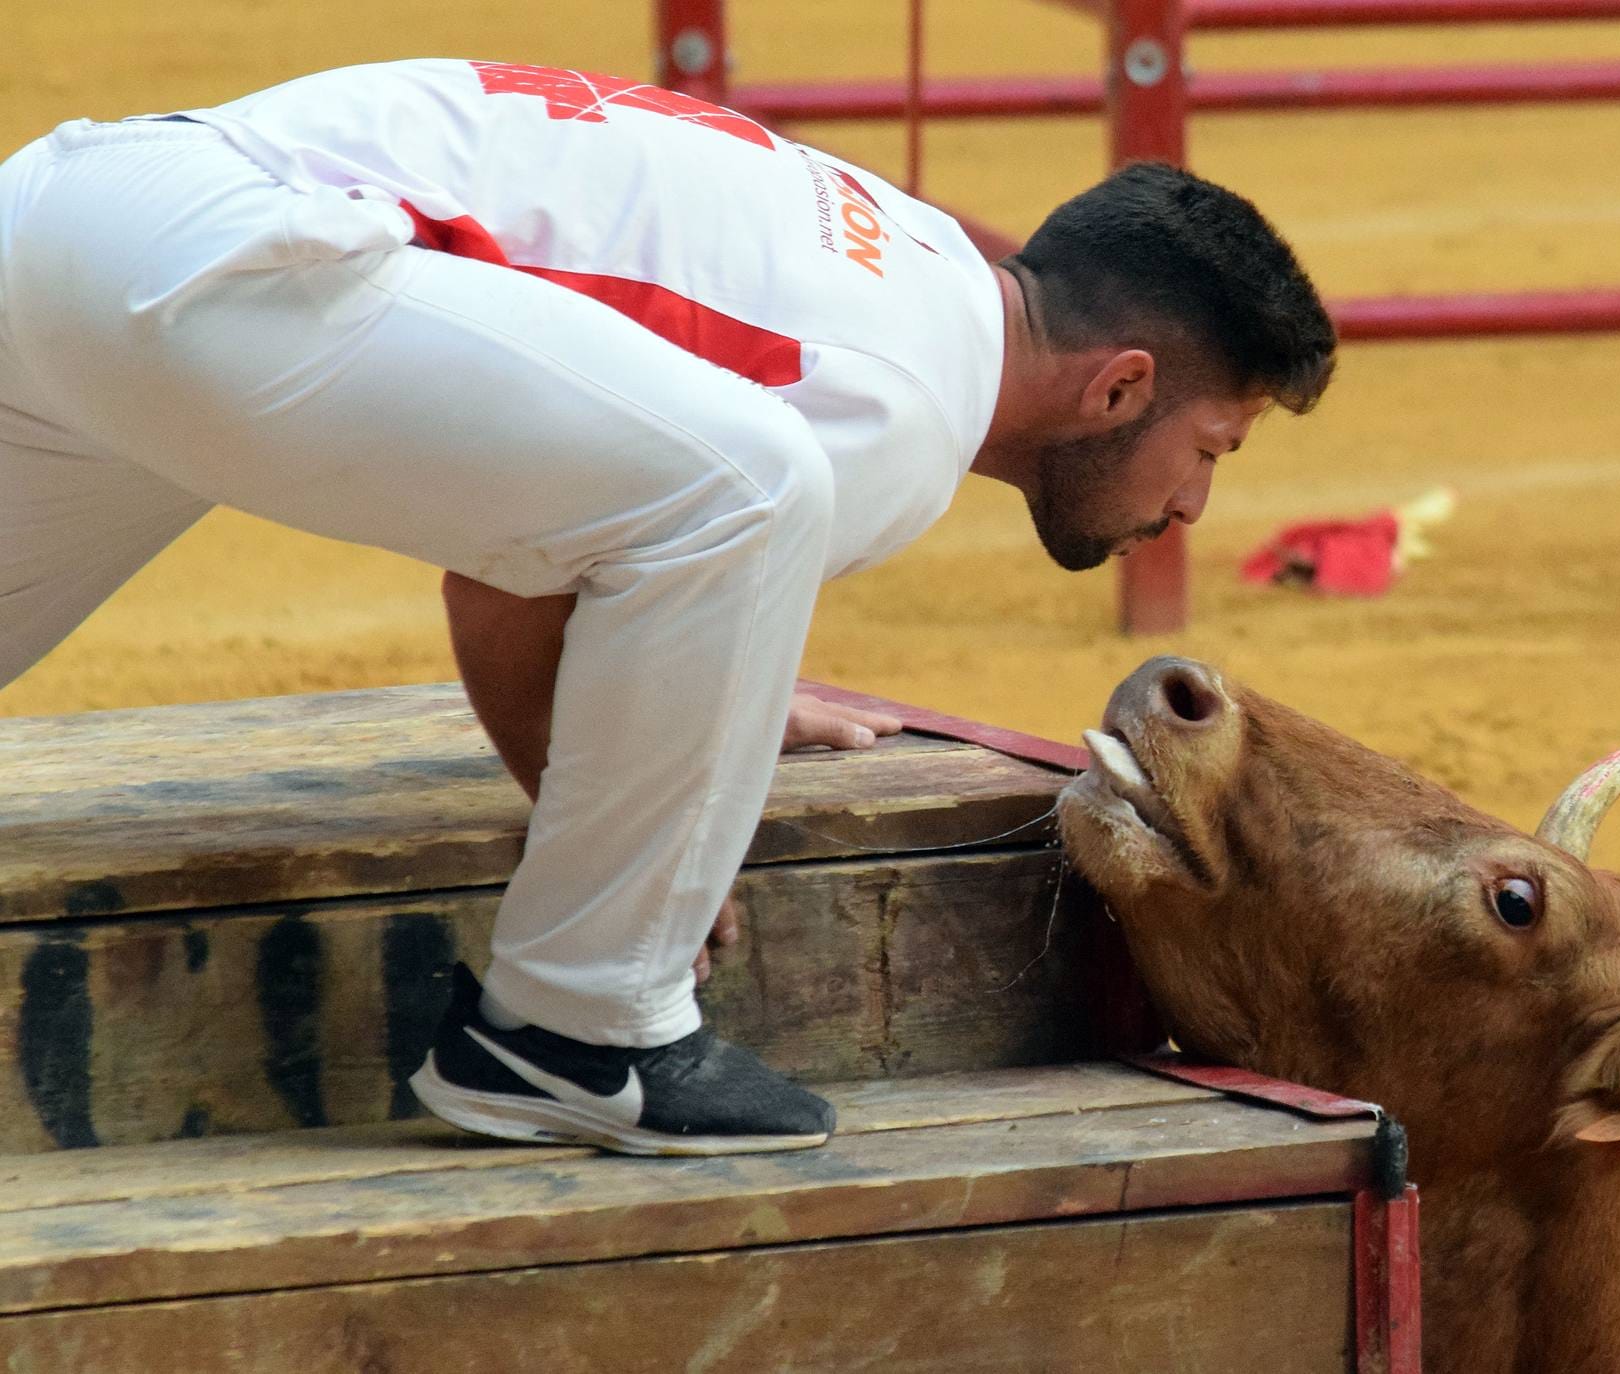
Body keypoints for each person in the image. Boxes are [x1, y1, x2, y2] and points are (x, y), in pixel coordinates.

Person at [0, 59, 1337, 1155]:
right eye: (1211, 447)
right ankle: (577, 1023)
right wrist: (629, 843)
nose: (1194, 507)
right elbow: (510, 578)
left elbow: (573, 507)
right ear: (1118, 387)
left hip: (73, 216)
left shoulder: (917, 260)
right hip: (227, 267)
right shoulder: (904, 410)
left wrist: (709, 685)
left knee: (737, 491)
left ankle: (577, 1006)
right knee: (760, 488)